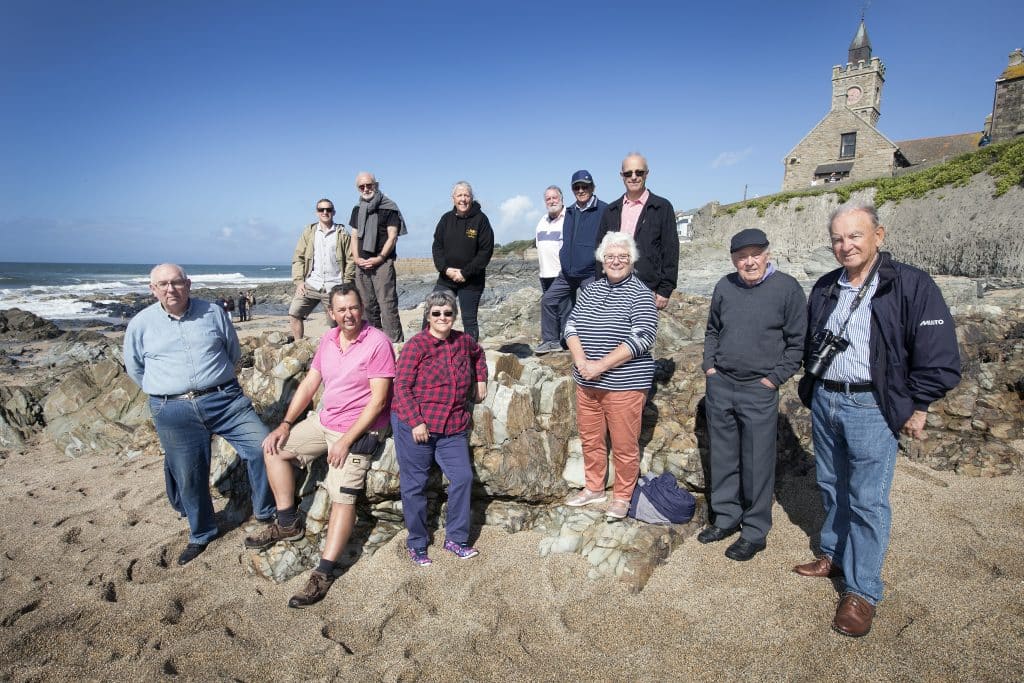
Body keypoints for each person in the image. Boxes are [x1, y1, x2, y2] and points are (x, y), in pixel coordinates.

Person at [794, 202, 960, 637]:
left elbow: (938, 355)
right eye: (837, 238)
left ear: (878, 236)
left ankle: (862, 591)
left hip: (872, 406)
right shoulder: (827, 285)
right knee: (831, 485)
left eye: (854, 236)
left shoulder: (910, 284)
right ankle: (833, 553)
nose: (845, 245)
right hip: (827, 399)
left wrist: (918, 405)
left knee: (868, 500)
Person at [244, 284, 395, 608]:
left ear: (362, 307)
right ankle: (287, 523)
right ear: (331, 313)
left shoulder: (377, 343)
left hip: (359, 430)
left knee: (342, 496)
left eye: (353, 308)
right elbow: (311, 382)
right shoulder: (328, 339)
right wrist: (285, 423)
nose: (348, 314)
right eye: (341, 310)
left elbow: (379, 400)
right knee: (272, 448)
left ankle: (324, 572)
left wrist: (345, 440)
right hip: (324, 421)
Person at [123, 264, 275, 566]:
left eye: (176, 282)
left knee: (263, 448)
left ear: (188, 284)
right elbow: (136, 369)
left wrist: (213, 384)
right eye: (163, 284)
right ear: (152, 289)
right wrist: (170, 393)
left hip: (225, 400)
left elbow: (232, 353)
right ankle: (202, 532)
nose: (171, 289)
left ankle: (264, 512)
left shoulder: (213, 313)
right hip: (173, 409)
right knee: (189, 476)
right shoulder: (140, 325)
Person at [699, 228, 807, 561]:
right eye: (742, 256)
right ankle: (727, 517)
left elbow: (797, 344)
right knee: (723, 456)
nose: (749, 262)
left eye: (755, 254)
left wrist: (772, 380)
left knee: (758, 463)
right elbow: (713, 330)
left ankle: (755, 531)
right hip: (722, 385)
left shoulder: (787, 288)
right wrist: (710, 367)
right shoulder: (724, 286)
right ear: (733, 259)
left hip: (759, 389)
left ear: (767, 254)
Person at [563, 232, 658, 520]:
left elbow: (643, 337)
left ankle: (622, 496)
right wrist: (581, 362)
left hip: (624, 385)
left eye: (623, 257)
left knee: (624, 446)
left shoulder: (641, 293)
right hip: (586, 382)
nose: (616, 261)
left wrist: (599, 366)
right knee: (591, 440)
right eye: (611, 256)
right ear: (602, 261)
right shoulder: (591, 289)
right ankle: (594, 488)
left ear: (632, 261)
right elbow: (571, 324)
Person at [391, 290, 488, 566]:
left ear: (454, 316)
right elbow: (401, 387)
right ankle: (417, 543)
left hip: (452, 426)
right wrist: (416, 421)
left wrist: (480, 378)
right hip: (417, 425)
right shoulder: (416, 346)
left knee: (463, 478)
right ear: (428, 316)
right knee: (415, 485)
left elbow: (478, 354)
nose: (442, 317)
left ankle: (456, 538)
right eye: (436, 313)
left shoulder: (462, 341)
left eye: (447, 313)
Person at [535, 171, 607, 355]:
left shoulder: (604, 210)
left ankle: (596, 344)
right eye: (577, 187)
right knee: (548, 301)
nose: (581, 190)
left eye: (585, 186)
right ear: (573, 189)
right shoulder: (570, 211)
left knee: (594, 308)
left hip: (590, 272)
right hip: (567, 273)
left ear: (593, 187)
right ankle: (551, 341)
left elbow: (611, 241)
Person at [596, 153, 679, 310]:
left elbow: (671, 251)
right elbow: (600, 251)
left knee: (643, 333)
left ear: (647, 173)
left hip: (647, 288)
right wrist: (600, 285)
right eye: (628, 173)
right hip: (613, 287)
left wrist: (665, 289)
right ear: (622, 176)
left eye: (639, 172)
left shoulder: (662, 207)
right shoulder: (610, 210)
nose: (633, 177)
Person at [430, 181, 494, 341]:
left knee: (469, 321)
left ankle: (470, 358)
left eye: (466, 195)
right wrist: (445, 269)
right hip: (446, 278)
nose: (463, 199)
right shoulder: (445, 219)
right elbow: (437, 247)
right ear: (453, 198)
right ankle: (430, 352)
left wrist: (465, 273)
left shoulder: (481, 220)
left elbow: (485, 252)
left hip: (471, 281)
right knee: (434, 314)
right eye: (459, 195)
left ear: (471, 198)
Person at [349, 171, 407, 343]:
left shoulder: (389, 207)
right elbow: (353, 235)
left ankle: (395, 346)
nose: (366, 189)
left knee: (387, 306)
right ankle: (373, 345)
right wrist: (356, 258)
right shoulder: (357, 209)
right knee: (367, 307)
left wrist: (380, 258)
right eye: (362, 186)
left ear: (376, 185)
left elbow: (392, 236)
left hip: (382, 263)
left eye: (369, 185)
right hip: (362, 264)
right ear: (358, 188)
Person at [289, 198, 355, 340]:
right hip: (312, 284)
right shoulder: (309, 232)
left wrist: (347, 282)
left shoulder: (342, 233)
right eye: (321, 209)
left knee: (337, 323)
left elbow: (351, 259)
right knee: (294, 313)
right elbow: (298, 257)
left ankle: (339, 350)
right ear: (317, 212)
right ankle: (298, 345)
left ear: (334, 212)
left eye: (328, 209)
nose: (325, 212)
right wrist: (299, 281)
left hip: (334, 285)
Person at [534, 185, 567, 325]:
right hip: (544, 274)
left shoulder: (569, 218)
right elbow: (538, 245)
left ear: (561, 199)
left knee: (565, 309)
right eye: (548, 199)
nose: (552, 201)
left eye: (554, 197)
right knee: (551, 308)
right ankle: (554, 338)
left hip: (561, 273)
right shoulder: (542, 221)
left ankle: (566, 340)